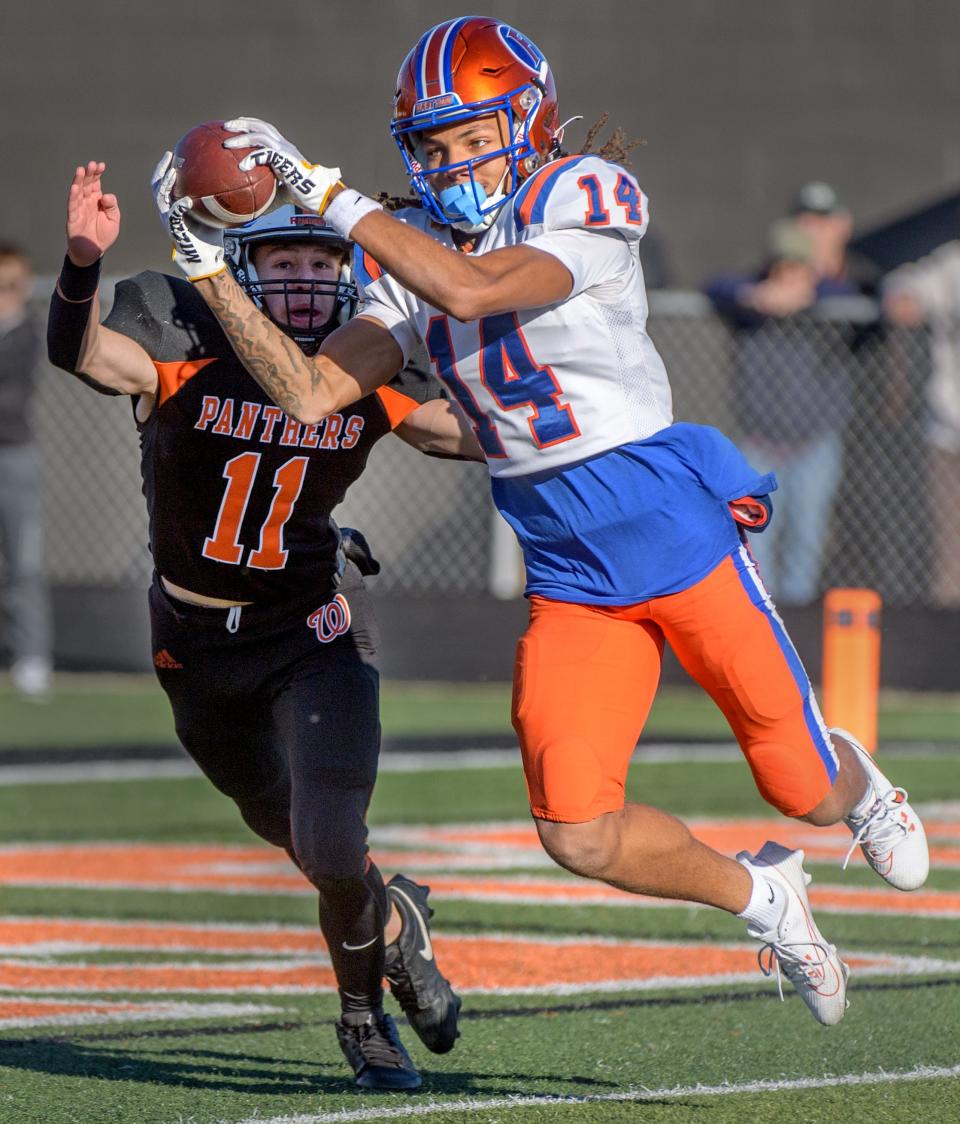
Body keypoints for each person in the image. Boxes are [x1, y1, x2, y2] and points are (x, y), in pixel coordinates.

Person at [163, 16, 929, 1030]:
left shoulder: (581, 192)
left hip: (670, 525)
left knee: (805, 787)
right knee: (578, 828)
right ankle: (767, 898)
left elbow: (477, 287)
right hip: (568, 564)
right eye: (431, 147)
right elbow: (308, 395)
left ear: (527, 120)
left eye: (471, 137)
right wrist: (207, 266)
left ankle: (861, 783)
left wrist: (321, 189)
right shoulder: (410, 248)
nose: (452, 163)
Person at [47, 163, 477, 1091]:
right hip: (196, 647)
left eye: (324, 264)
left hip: (310, 631)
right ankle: (394, 921)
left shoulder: (362, 364)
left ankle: (363, 1022)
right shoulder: (183, 333)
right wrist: (83, 263)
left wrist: (584, 409)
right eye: (284, 259)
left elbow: (466, 432)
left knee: (329, 843)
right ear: (238, 266)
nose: (308, 280)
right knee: (286, 830)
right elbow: (80, 353)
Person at [704, 192, 873, 604]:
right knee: (756, 542)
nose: (789, 273)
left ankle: (796, 631)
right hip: (761, 440)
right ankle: (765, 621)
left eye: (797, 265)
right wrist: (757, 296)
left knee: (807, 540)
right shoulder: (752, 297)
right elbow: (715, 287)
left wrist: (811, 296)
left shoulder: (835, 298)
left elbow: (873, 304)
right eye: (783, 264)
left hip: (814, 441)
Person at [883, 241, 960, 606]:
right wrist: (903, 299)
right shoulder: (953, 265)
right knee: (950, 551)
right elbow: (904, 286)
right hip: (949, 431)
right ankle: (948, 643)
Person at [0, 243, 53, 697]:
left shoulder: (28, 331)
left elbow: (12, 395)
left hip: (13, 456)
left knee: (23, 561)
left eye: (12, 285)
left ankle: (32, 657)